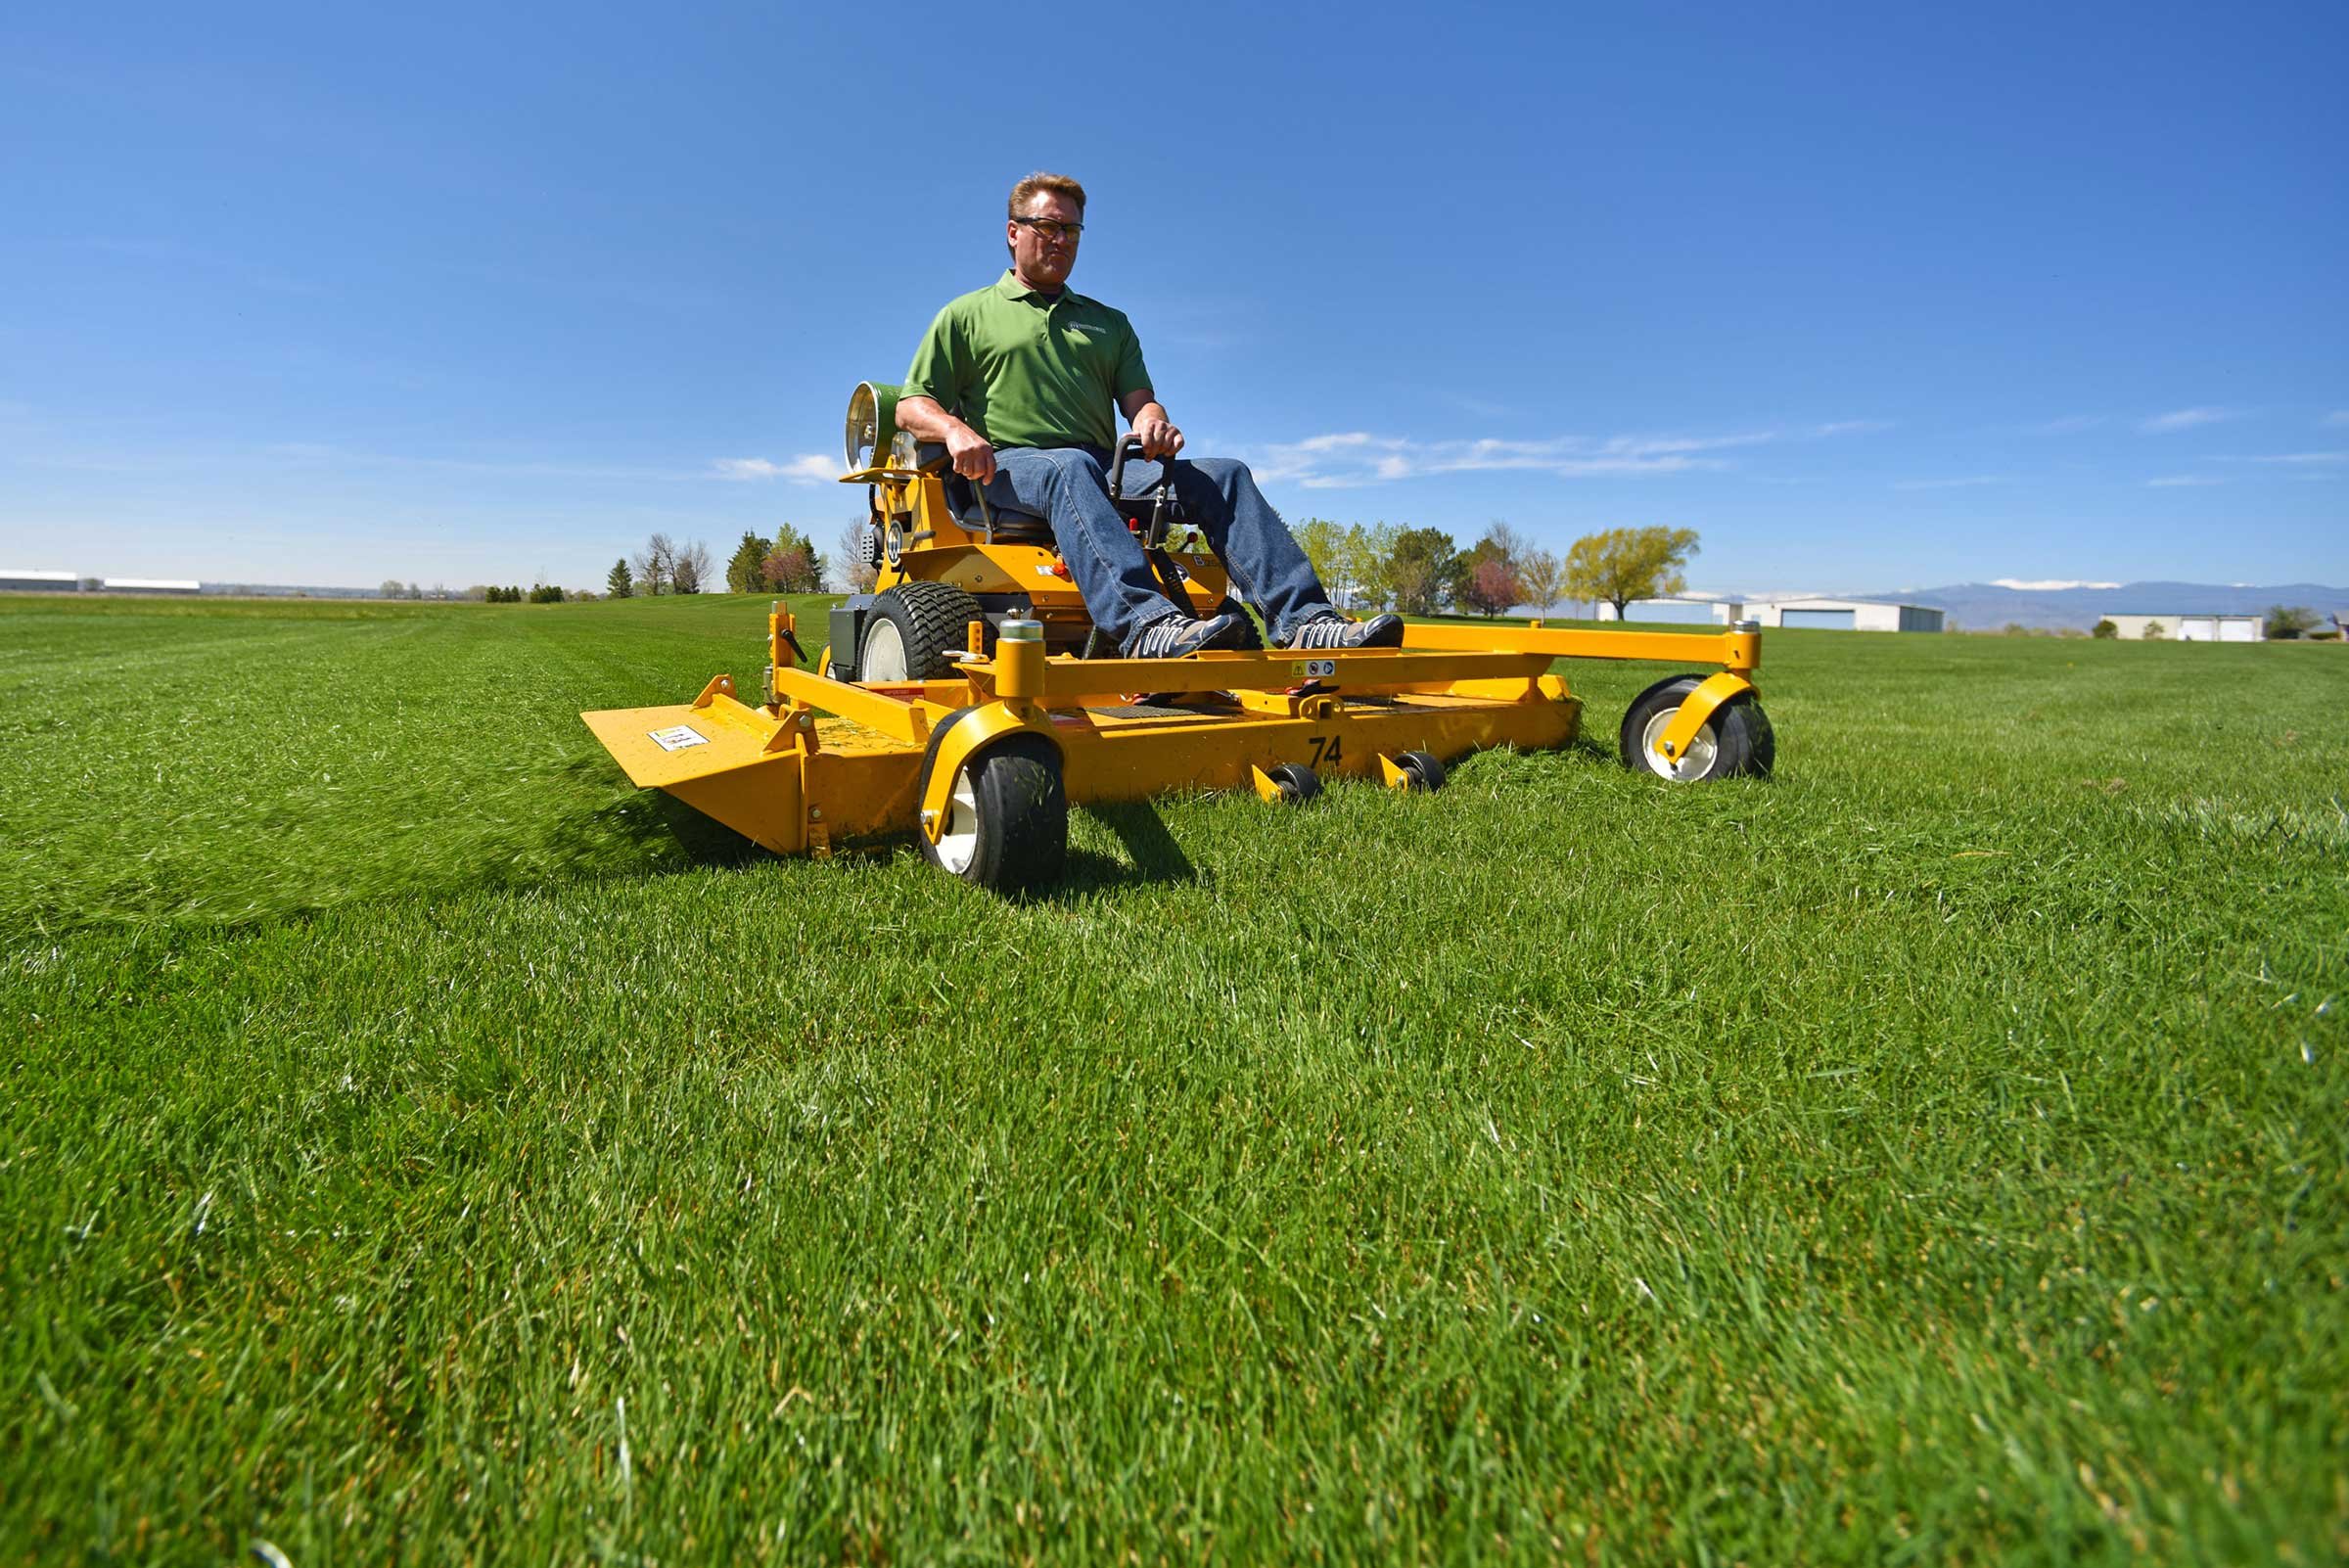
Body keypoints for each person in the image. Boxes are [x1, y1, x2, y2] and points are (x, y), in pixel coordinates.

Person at [895, 172, 1406, 659]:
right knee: (1066, 466)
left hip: (1100, 466)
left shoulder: (1108, 324)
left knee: (1225, 475)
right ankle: (1146, 625)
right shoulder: (965, 315)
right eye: (1048, 226)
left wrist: (1151, 422)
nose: (1061, 239)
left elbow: (1140, 400)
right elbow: (911, 405)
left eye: (1071, 229)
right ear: (1013, 233)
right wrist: (955, 430)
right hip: (1009, 468)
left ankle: (1306, 620)